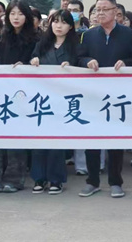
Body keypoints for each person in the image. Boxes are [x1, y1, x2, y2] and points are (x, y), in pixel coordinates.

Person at [77, 0, 132, 198]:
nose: (100, 13)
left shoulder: (128, 34)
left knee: (115, 140)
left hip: (118, 95)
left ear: (115, 11)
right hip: (93, 94)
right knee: (92, 140)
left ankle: (115, 182)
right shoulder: (88, 35)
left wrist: (126, 63)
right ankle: (92, 181)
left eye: (105, 9)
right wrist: (87, 61)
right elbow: (79, 58)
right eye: (98, 9)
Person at [0, 0, 39, 194]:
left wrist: (27, 66)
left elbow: (38, 64)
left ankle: (14, 179)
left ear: (27, 17)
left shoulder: (35, 39)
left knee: (16, 138)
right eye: (12, 14)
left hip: (23, 95)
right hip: (0, 94)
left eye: (20, 14)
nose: (16, 17)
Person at [29, 10, 79, 195]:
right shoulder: (42, 44)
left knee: (56, 141)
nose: (59, 26)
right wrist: (33, 60)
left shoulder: (75, 45)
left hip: (63, 98)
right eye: (55, 22)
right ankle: (39, 178)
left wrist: (71, 67)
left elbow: (81, 64)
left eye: (63, 22)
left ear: (70, 26)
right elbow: (32, 60)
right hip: (42, 97)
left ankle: (56, 179)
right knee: (39, 139)